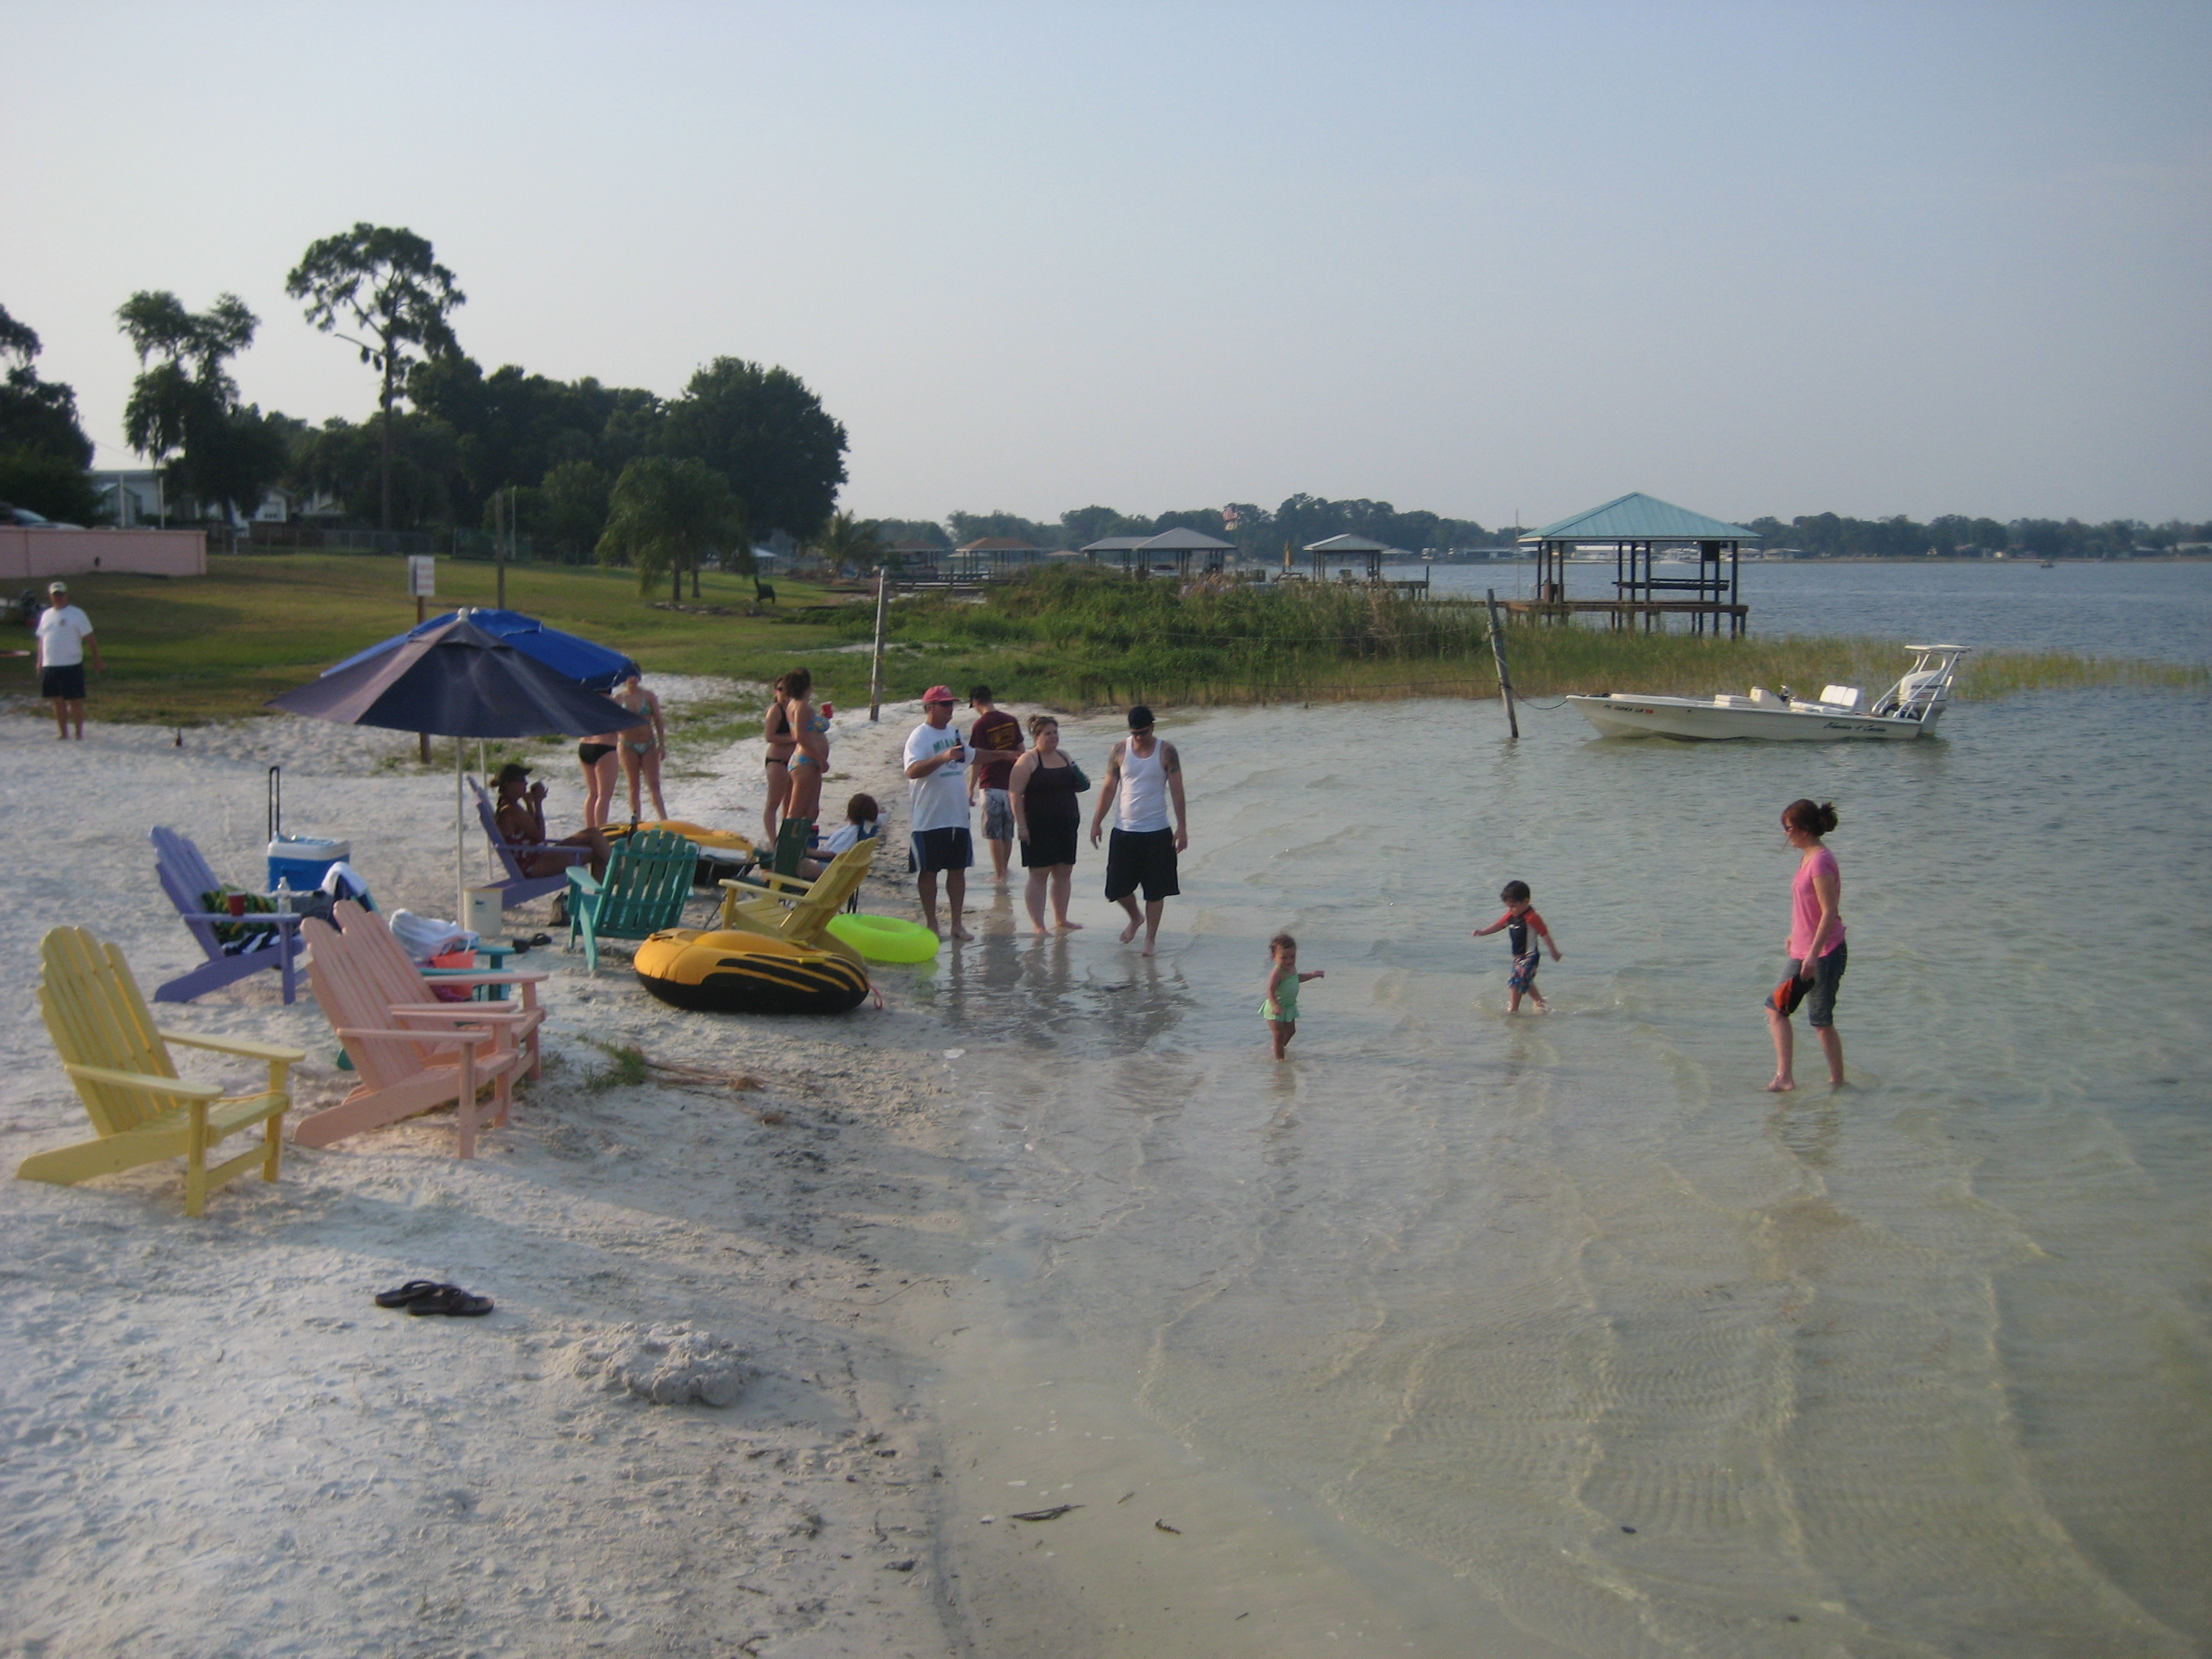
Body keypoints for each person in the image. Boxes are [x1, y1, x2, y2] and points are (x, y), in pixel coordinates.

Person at [1088, 704, 1188, 957]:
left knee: (1155, 891)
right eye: (1135, 733)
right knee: (1116, 888)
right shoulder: (1119, 750)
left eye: (1143, 732)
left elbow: (1177, 789)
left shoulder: (1167, 751)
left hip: (1157, 831)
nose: (1139, 738)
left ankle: (1150, 939)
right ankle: (1135, 917)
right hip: (1124, 830)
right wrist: (1097, 822)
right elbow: (1109, 788)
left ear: (1152, 727)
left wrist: (1182, 827)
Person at [1766, 798, 1846, 1092]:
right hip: (1803, 951)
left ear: (1804, 829)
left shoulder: (1821, 861)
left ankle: (1838, 1083)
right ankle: (1785, 1077)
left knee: (1821, 1021)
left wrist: (1813, 954)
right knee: (1776, 1008)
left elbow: (1829, 911)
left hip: (1824, 952)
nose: (1785, 834)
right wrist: (1795, 935)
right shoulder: (1807, 858)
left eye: (1788, 828)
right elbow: (1806, 907)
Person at [903, 686, 974, 940]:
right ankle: (932, 924)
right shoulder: (919, 736)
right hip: (929, 818)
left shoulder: (954, 732)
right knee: (929, 872)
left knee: (958, 871)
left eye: (951, 703)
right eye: (944, 704)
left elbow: (972, 756)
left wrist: (1008, 755)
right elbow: (912, 770)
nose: (950, 708)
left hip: (957, 816)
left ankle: (957, 924)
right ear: (930, 708)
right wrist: (942, 757)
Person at [1008, 713, 1084, 934]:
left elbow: (1079, 784)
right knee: (1039, 874)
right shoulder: (1028, 761)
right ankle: (1039, 925)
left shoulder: (1064, 756)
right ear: (1036, 737)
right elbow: (1014, 795)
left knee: (1064, 872)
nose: (1054, 737)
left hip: (1067, 822)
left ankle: (1061, 919)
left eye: (1056, 732)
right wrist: (1022, 826)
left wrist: (1081, 779)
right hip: (1038, 825)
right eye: (1048, 733)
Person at [493, 762, 608, 881]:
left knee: (592, 833)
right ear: (508, 784)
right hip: (534, 864)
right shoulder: (511, 810)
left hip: (536, 855)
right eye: (521, 780)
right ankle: (615, 873)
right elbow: (539, 836)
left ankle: (611, 877)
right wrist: (538, 803)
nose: (526, 783)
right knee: (595, 850)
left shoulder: (507, 806)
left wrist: (529, 804)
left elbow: (530, 828)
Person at [965, 685, 1024, 886]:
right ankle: (1004, 871)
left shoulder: (980, 725)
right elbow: (1022, 753)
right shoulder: (1011, 720)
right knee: (1007, 832)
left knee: (993, 833)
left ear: (975, 702)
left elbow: (977, 759)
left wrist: (970, 788)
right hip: (1012, 786)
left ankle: (999, 875)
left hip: (990, 784)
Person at [1473, 880, 1560, 1012]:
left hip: (1530, 956)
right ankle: (1540, 1003)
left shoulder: (1532, 917)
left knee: (1516, 980)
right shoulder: (1511, 915)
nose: (1510, 909)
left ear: (1526, 901)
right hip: (1518, 957)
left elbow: (1545, 934)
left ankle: (1513, 1010)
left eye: (1513, 906)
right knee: (1525, 980)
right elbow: (1499, 925)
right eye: (1509, 907)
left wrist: (1554, 952)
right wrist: (1482, 932)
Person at [35, 581, 102, 740]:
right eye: (56, 595)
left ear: (66, 595)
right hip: (51, 664)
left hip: (71, 664)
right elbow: (42, 640)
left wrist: (97, 660)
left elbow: (90, 639)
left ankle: (78, 733)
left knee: (75, 700)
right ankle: (63, 733)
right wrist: (40, 661)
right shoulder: (46, 615)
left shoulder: (77, 614)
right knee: (57, 700)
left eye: (61, 594)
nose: (59, 597)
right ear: (51, 597)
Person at [613, 674, 668, 823]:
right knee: (633, 785)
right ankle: (636, 820)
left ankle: (664, 820)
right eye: (629, 676)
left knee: (654, 784)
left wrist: (662, 745)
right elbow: (611, 722)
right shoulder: (619, 698)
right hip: (627, 745)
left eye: (635, 676)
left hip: (648, 743)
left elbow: (658, 720)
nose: (632, 679)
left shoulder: (648, 696)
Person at [1261, 932, 1325, 1061]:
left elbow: (1297, 978)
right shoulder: (1277, 972)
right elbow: (1270, 990)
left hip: (1289, 1007)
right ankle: (1280, 1059)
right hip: (1276, 1008)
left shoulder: (1292, 968)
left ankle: (1278, 1047)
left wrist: (1312, 975)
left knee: (1291, 1031)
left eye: (1292, 956)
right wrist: (1275, 1005)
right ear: (1274, 957)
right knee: (1279, 1034)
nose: (1289, 961)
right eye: (1284, 958)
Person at [783, 666, 831, 831]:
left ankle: (803, 843)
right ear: (808, 686)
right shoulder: (802, 706)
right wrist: (820, 758)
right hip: (806, 761)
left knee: (811, 810)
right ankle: (787, 845)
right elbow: (800, 736)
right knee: (796, 812)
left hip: (809, 761)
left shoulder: (795, 705)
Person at [796, 793, 881, 879]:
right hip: (829, 868)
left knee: (791, 858)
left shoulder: (850, 833)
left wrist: (808, 852)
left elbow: (833, 855)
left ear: (850, 812)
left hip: (825, 871)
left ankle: (789, 883)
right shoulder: (859, 830)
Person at [761, 673, 796, 842]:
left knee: (790, 805)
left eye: (788, 689)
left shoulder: (795, 709)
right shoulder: (775, 710)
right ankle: (773, 841)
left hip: (793, 762)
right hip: (778, 762)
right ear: (775, 691)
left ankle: (786, 839)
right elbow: (770, 736)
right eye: (781, 689)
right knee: (774, 803)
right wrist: (794, 738)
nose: (784, 693)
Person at [577, 724, 621, 829]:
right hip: (605, 745)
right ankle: (600, 831)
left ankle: (590, 830)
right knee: (604, 795)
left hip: (585, 743)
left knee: (592, 794)